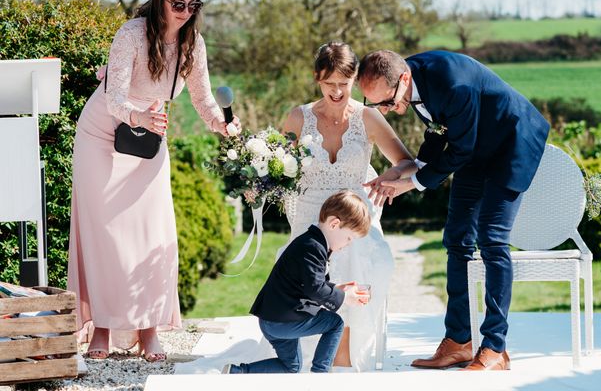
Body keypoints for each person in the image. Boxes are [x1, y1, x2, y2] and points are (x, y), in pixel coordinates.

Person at [67, 0, 241, 362]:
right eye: (178, 4)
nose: (185, 12)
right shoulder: (130, 34)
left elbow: (203, 99)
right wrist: (139, 116)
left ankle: (149, 333)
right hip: (102, 136)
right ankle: (103, 330)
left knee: (152, 234)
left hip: (147, 141)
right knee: (106, 237)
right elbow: (114, 97)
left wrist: (221, 124)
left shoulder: (193, 45)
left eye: (192, 5)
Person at [358, 49, 550, 371]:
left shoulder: (453, 83)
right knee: (457, 239)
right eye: (375, 105)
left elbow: (460, 148)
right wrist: (405, 169)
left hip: (511, 143)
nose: (386, 111)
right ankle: (459, 341)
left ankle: (494, 348)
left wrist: (414, 182)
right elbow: (438, 130)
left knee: (492, 240)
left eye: (388, 103)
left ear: (403, 78)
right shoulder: (410, 79)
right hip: (475, 148)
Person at [279, 41, 416, 371]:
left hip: (355, 216)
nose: (337, 91)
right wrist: (259, 183)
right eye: (330, 84)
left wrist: (386, 180)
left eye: (344, 83)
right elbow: (278, 166)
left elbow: (407, 163)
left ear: (354, 79)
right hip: (311, 214)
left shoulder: (367, 117)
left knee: (354, 254)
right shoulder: (299, 117)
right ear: (317, 79)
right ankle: (309, 355)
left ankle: (340, 360)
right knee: (311, 256)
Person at [225, 191, 371, 374]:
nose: (348, 244)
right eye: (349, 238)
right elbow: (315, 289)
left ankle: (237, 372)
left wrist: (336, 289)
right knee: (335, 323)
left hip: (273, 319)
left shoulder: (313, 243)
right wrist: (343, 297)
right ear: (334, 224)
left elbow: (312, 284)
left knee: (290, 367)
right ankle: (320, 374)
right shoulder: (313, 247)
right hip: (281, 321)